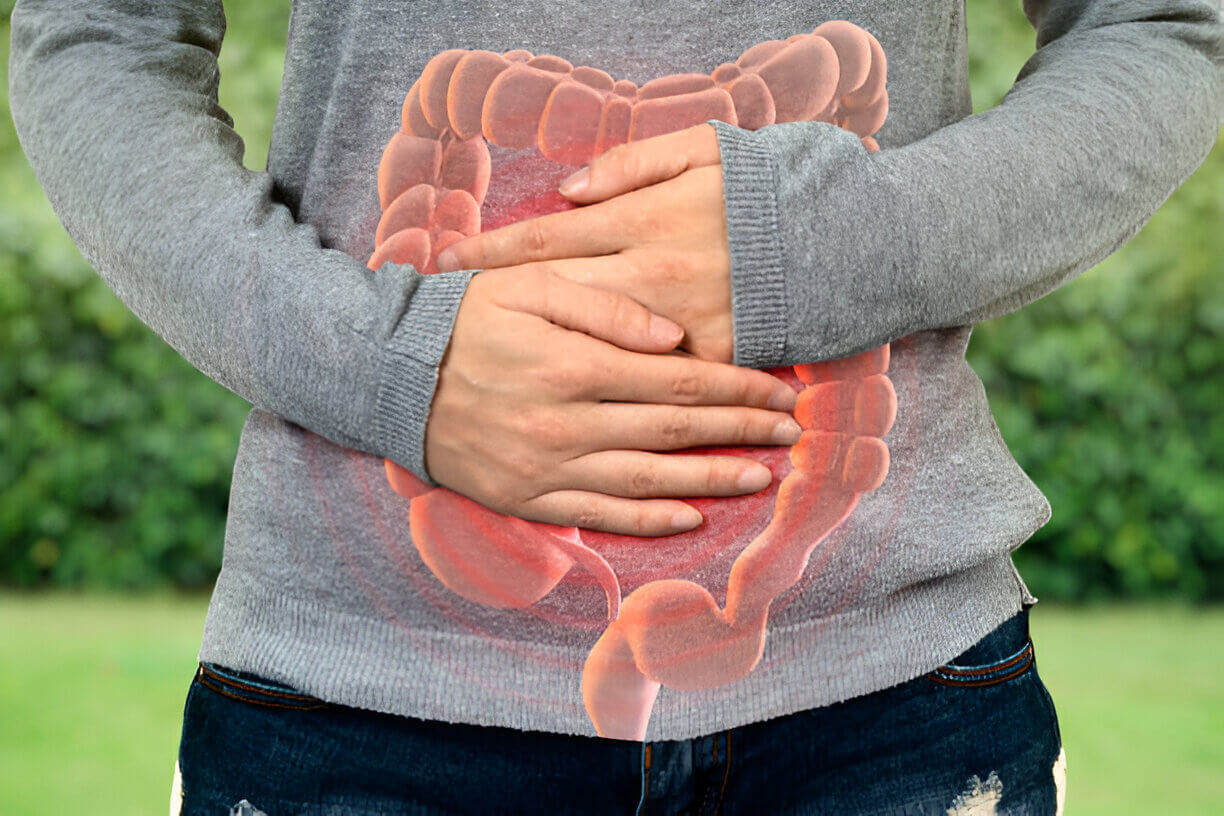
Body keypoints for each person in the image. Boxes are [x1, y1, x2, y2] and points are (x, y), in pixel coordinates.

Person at [9, 0, 1220, 813]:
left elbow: (1158, 25)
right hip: (359, 703)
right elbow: (100, 37)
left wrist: (816, 246)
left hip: (887, 702)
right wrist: (392, 365)